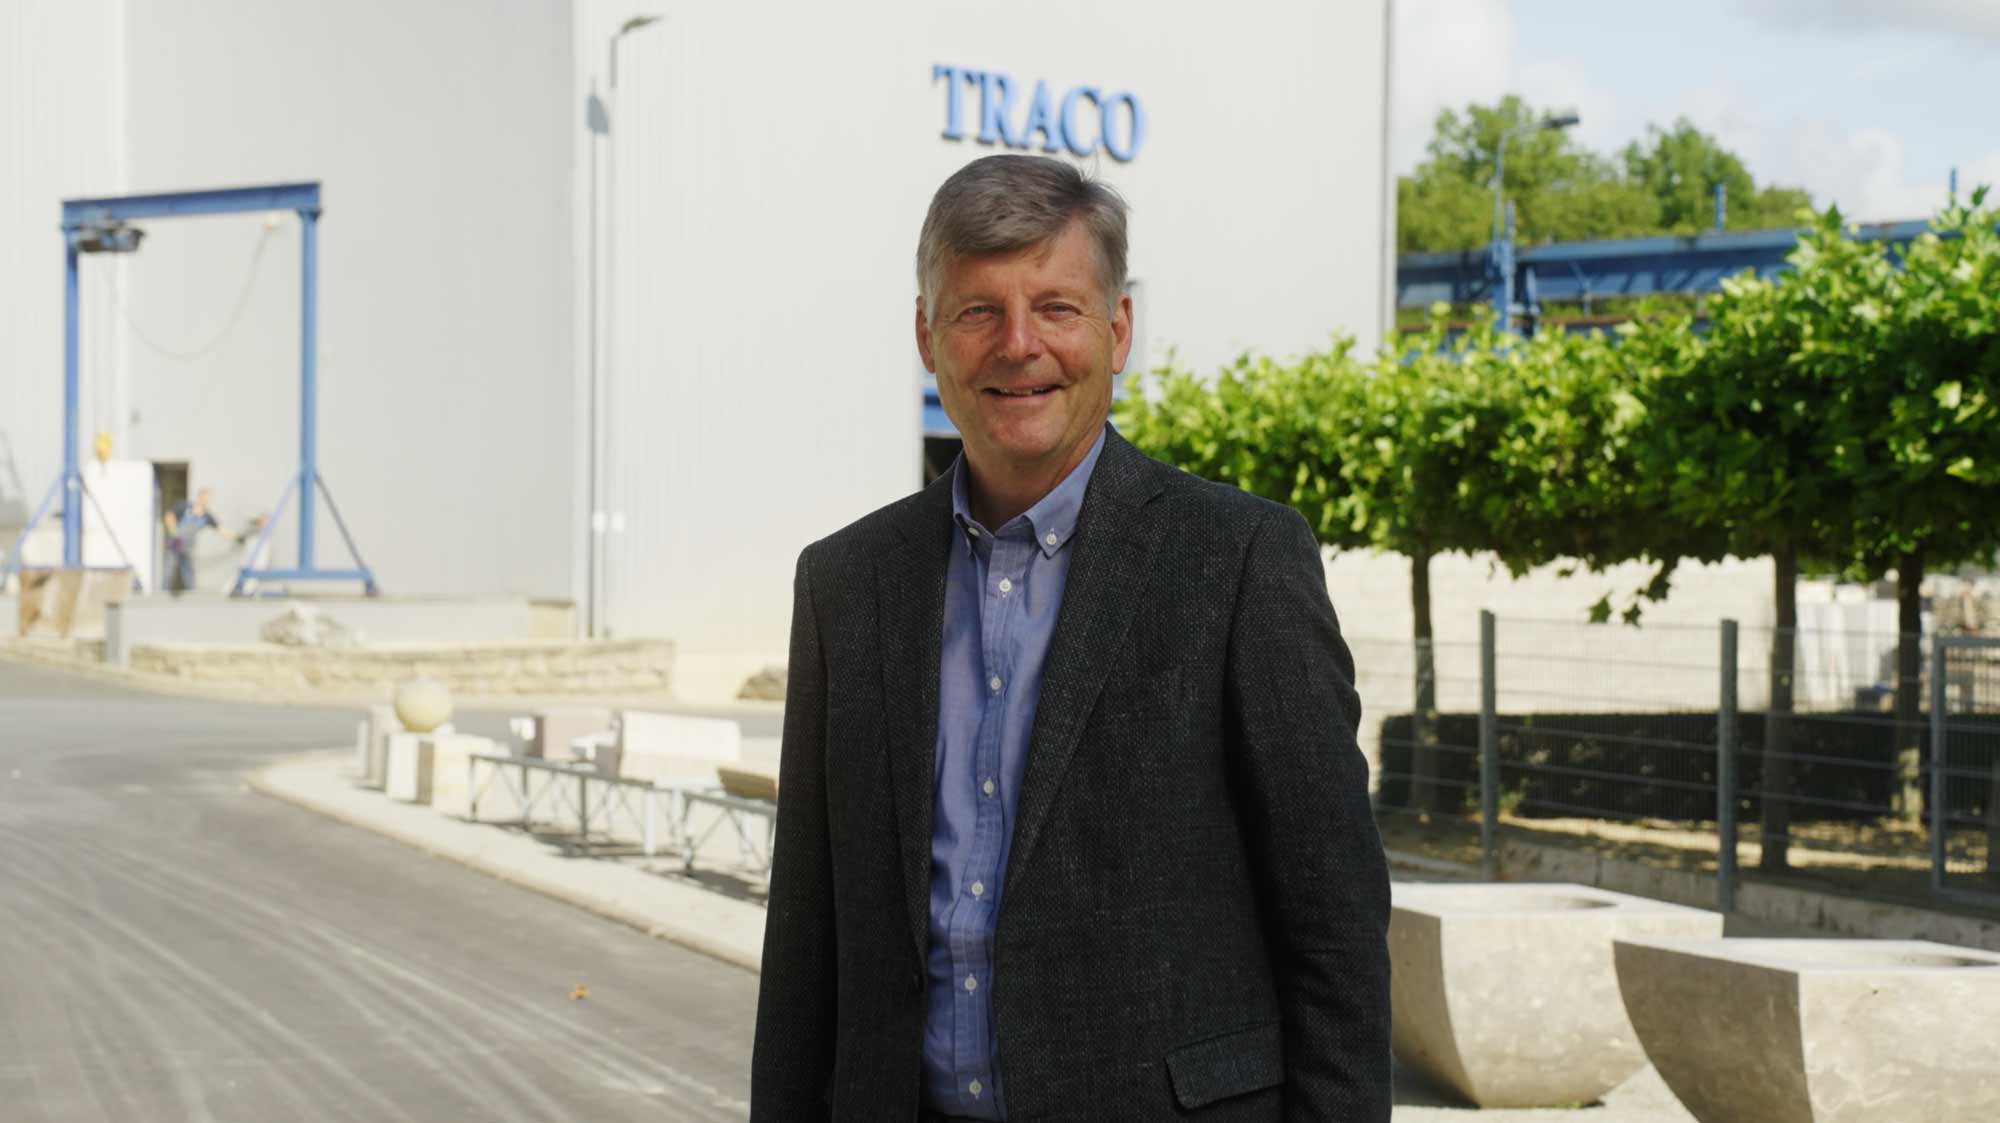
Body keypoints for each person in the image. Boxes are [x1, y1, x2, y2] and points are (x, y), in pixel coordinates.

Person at [751, 155, 1390, 1122]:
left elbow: (1334, 923)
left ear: (1119, 328)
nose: (1018, 346)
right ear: (926, 338)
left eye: (1056, 307)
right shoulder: (845, 583)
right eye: (977, 312)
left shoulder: (1241, 559)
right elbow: (805, 937)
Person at [163, 487, 248, 596]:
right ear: (199, 497)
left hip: (188, 546)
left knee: (188, 570)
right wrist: (175, 534)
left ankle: (191, 595)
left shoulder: (207, 516)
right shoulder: (184, 506)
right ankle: (163, 594)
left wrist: (237, 538)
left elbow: (221, 530)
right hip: (176, 541)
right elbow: (169, 517)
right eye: (204, 497)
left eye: (208, 499)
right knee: (170, 567)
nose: (206, 501)